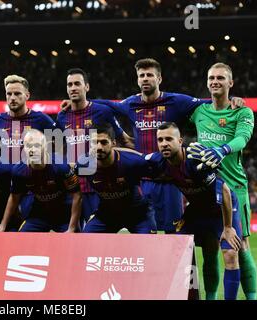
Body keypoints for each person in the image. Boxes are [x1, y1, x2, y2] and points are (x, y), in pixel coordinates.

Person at [82, 58, 244, 234]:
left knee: (174, 234)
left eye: (150, 75)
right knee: (147, 232)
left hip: (170, 180)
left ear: (159, 79)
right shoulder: (130, 104)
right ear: (137, 79)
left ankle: (186, 263)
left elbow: (208, 102)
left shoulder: (176, 101)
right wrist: (76, 103)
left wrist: (232, 99)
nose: (145, 78)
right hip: (144, 178)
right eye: (141, 75)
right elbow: (107, 106)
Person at [147, 122, 242, 300]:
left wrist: (228, 227)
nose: (164, 143)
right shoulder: (158, 161)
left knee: (230, 254)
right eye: (160, 140)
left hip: (221, 209)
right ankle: (192, 297)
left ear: (180, 141)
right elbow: (135, 158)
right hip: (197, 210)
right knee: (179, 248)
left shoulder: (196, 160)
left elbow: (224, 190)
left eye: (169, 139)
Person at [187, 62, 257, 300]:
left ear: (231, 83)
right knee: (210, 248)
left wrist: (223, 149)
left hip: (235, 187)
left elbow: (242, 139)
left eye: (220, 78)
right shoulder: (199, 111)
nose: (214, 81)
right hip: (206, 189)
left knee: (241, 246)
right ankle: (211, 297)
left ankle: (252, 297)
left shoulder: (242, 112)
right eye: (211, 78)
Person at [56, 68, 134, 225]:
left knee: (100, 234)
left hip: (97, 186)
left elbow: (123, 140)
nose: (73, 88)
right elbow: (59, 149)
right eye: (69, 85)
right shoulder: (62, 116)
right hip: (73, 187)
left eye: (77, 84)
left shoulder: (101, 111)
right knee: (76, 236)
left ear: (87, 87)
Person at [0, 75, 56, 222]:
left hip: (31, 191)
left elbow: (57, 146)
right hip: (6, 189)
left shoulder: (41, 119)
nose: (12, 97)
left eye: (17, 94)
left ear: (27, 95)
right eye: (9, 94)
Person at [0, 129, 82, 233]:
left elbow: (77, 196)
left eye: (37, 145)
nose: (33, 149)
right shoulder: (19, 170)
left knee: (71, 243)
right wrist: (2, 225)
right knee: (21, 238)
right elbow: (14, 198)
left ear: (45, 147)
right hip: (39, 214)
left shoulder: (61, 166)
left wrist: (71, 228)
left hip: (64, 214)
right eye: (29, 146)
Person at [76, 123, 156, 234]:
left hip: (138, 215)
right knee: (87, 241)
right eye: (95, 142)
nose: (99, 147)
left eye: (104, 142)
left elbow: (157, 170)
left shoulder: (131, 162)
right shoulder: (83, 165)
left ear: (113, 143)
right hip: (107, 215)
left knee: (149, 246)